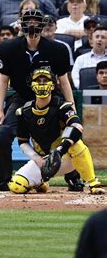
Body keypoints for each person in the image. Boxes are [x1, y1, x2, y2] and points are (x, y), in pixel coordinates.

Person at [0, 8, 79, 192]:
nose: (32, 25)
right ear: (21, 24)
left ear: (42, 24)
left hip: (51, 99)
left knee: (70, 132)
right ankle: (3, 179)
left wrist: (71, 105)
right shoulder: (8, 48)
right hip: (22, 98)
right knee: (1, 136)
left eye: (35, 21)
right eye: (27, 21)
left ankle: (74, 177)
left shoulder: (58, 49)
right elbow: (2, 79)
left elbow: (64, 81)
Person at [8, 66, 104, 195]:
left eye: (45, 81)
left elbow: (77, 127)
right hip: (43, 160)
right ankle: (41, 182)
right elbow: (23, 142)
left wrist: (59, 151)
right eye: (38, 81)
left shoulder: (63, 106)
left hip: (64, 158)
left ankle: (93, 183)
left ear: (53, 85)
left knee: (77, 144)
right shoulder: (23, 112)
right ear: (31, 85)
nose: (42, 84)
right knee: (17, 185)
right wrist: (37, 159)